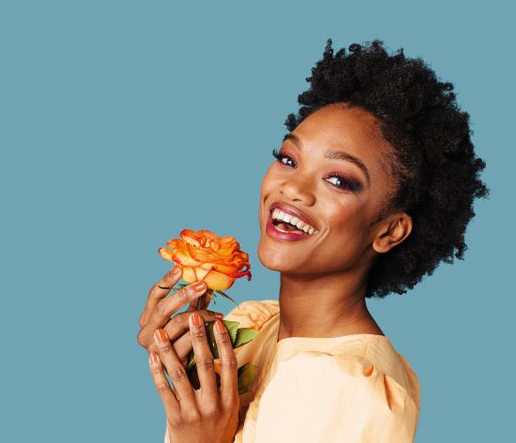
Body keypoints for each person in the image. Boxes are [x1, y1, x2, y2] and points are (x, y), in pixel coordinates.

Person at [136, 38, 489, 443]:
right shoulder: (257, 327)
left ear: (389, 231)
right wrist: (182, 368)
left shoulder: (347, 388)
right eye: (289, 159)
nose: (293, 189)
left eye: (338, 180)